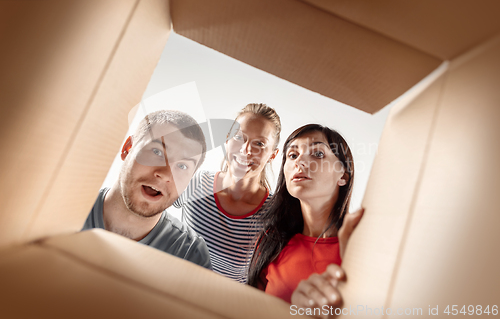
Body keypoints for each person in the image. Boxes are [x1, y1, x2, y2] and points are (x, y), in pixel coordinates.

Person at [247, 124, 363, 305]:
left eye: (318, 154)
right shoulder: (269, 243)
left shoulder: (358, 249)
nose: (299, 162)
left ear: (343, 176)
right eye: (292, 155)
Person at [82, 110, 212, 269]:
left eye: (182, 166)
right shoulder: (63, 207)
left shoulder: (190, 254)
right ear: (127, 148)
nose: (165, 174)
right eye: (157, 152)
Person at [175, 103, 281, 282]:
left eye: (259, 144)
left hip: (225, 304)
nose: (245, 150)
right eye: (239, 137)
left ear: (272, 155)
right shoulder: (196, 183)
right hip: (173, 290)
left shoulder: (275, 214)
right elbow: (146, 207)